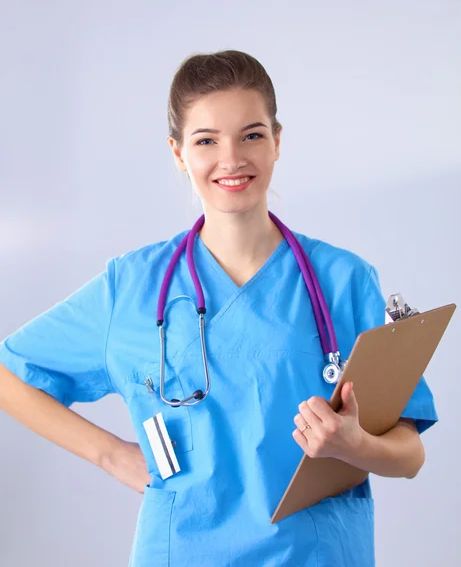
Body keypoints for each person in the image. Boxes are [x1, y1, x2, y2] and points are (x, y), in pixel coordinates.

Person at [0, 50, 437, 567]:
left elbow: (410, 454)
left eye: (251, 135)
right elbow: (13, 374)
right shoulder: (132, 287)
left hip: (315, 555)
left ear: (277, 142)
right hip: (182, 551)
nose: (231, 159)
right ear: (179, 153)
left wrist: (354, 446)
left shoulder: (343, 281)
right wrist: (111, 454)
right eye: (206, 140)